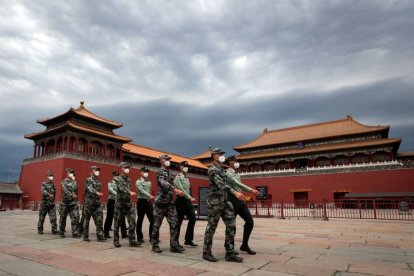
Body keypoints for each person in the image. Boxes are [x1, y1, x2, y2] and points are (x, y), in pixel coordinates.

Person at [202, 148, 245, 262]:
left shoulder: (222, 169)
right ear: (214, 156)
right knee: (211, 227)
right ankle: (206, 252)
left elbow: (226, 183)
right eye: (219, 154)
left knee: (231, 225)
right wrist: (235, 192)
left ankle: (230, 253)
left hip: (225, 201)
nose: (221, 155)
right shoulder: (213, 169)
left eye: (222, 154)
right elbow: (221, 184)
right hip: (215, 202)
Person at [152, 154, 186, 254]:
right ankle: (155, 245)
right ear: (161, 160)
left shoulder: (170, 172)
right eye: (166, 159)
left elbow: (171, 184)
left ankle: (174, 245)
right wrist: (175, 190)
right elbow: (163, 183)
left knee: (175, 223)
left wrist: (178, 191)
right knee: (156, 225)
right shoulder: (160, 171)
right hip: (160, 203)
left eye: (168, 159)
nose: (168, 160)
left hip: (170, 203)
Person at [226, 155, 260, 255]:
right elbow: (238, 183)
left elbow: (238, 186)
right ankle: (229, 248)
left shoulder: (236, 173)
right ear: (231, 162)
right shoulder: (228, 173)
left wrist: (243, 195)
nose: (237, 162)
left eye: (237, 161)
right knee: (231, 225)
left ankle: (244, 245)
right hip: (232, 199)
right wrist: (251, 190)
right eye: (235, 161)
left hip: (239, 199)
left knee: (249, 221)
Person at [113, 162, 139, 247]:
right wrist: (129, 192)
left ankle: (132, 240)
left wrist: (130, 193)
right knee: (117, 222)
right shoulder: (117, 179)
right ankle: (116, 240)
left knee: (132, 221)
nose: (128, 169)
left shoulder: (129, 179)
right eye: (126, 167)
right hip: (120, 203)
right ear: (121, 168)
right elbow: (121, 188)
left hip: (128, 203)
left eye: (128, 167)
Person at [174, 161, 197, 247]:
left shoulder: (187, 178)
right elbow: (181, 189)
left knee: (193, 219)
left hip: (187, 201)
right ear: (180, 167)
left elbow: (187, 190)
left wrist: (189, 198)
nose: (186, 167)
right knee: (178, 221)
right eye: (184, 166)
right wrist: (190, 197)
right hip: (180, 201)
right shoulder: (177, 177)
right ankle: (175, 241)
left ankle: (188, 239)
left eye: (187, 166)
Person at [83, 166, 106, 242]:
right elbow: (89, 188)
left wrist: (98, 194)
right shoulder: (88, 179)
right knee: (87, 220)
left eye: (98, 170)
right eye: (96, 170)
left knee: (99, 219)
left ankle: (100, 235)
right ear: (92, 170)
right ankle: (85, 236)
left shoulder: (98, 181)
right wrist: (97, 192)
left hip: (97, 203)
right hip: (89, 203)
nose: (97, 171)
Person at [103, 171, 128, 239]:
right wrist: (118, 194)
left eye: (117, 176)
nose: (116, 177)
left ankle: (124, 233)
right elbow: (111, 190)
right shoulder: (110, 183)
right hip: (112, 201)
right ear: (113, 176)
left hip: (119, 201)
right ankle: (106, 233)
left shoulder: (121, 184)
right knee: (109, 217)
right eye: (115, 176)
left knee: (122, 217)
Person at [59, 168, 81, 238]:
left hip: (73, 203)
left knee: (75, 217)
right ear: (67, 173)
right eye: (70, 172)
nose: (71, 173)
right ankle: (61, 232)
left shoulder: (74, 182)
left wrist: (76, 199)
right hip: (64, 203)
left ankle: (75, 232)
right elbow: (65, 190)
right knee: (63, 218)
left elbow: (76, 191)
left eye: (72, 172)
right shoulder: (63, 182)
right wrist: (72, 195)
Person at [135, 166, 154, 244]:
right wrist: (149, 195)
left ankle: (152, 237)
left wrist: (149, 197)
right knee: (140, 220)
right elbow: (141, 190)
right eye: (145, 171)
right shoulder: (138, 181)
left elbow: (149, 191)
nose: (146, 173)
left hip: (148, 202)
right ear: (141, 172)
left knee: (152, 220)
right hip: (141, 202)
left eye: (147, 172)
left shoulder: (149, 182)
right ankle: (139, 237)